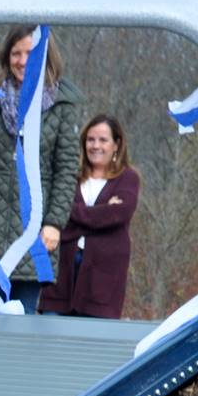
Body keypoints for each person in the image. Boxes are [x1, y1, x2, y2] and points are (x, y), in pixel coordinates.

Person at [0, 23, 80, 313]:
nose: (23, 61)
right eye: (16, 53)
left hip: (34, 231)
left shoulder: (64, 103)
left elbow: (66, 169)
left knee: (19, 323)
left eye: (30, 53)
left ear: (44, 55)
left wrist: (54, 223)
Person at [44, 114, 139, 318]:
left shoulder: (128, 178)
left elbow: (118, 215)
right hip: (60, 278)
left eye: (103, 140)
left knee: (89, 343)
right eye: (90, 139)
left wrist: (73, 215)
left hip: (102, 284)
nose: (96, 145)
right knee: (49, 341)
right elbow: (55, 209)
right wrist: (103, 212)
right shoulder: (69, 176)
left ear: (116, 144)